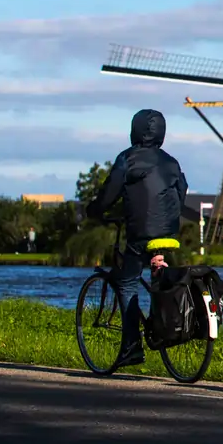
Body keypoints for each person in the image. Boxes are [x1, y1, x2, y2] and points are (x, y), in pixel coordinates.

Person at [85, 109, 188, 369]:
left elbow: (110, 191)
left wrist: (95, 210)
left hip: (141, 233)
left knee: (126, 282)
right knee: (157, 275)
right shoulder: (171, 161)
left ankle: (131, 347)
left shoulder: (128, 158)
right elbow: (182, 189)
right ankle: (161, 325)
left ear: (134, 130)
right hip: (169, 233)